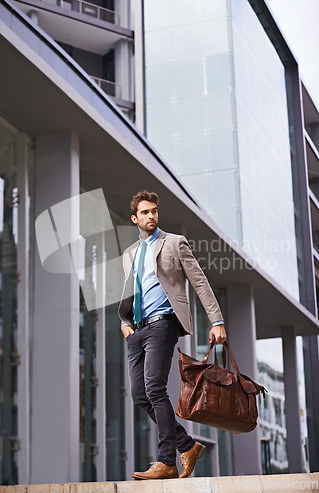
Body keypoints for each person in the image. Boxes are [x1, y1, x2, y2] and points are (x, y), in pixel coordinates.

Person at [118, 190, 227, 480]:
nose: (151, 215)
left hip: (162, 324)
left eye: (154, 211)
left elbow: (199, 281)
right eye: (145, 212)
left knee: (154, 388)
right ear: (135, 218)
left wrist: (216, 320)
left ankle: (166, 461)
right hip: (137, 331)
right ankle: (187, 446)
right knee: (140, 394)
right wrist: (124, 322)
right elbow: (129, 290)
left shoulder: (175, 243)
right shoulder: (130, 253)